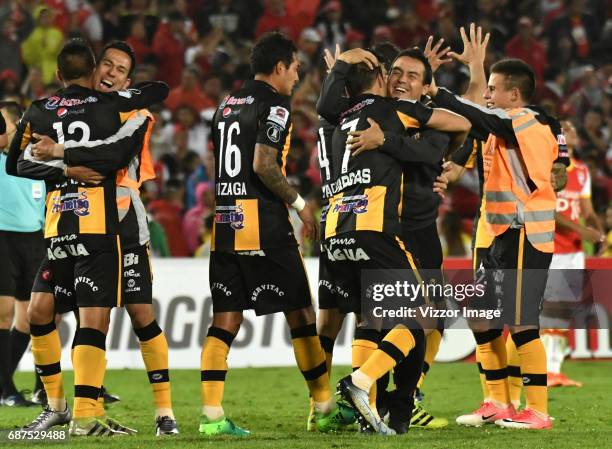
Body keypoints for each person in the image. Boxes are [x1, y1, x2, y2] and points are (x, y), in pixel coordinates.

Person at [6, 38, 168, 437]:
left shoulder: (112, 108)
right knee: (54, 314)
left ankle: (160, 412)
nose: (111, 74)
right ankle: (72, 411)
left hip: (120, 222)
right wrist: (68, 168)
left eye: (120, 70)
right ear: (92, 69)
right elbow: (20, 161)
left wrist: (60, 154)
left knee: (136, 313)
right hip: (82, 223)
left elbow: (18, 160)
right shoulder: (107, 108)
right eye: (106, 66)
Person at [199, 32, 355, 437]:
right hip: (263, 221)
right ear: (280, 67)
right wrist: (303, 207)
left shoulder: (226, 104)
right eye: (295, 67)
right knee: (301, 313)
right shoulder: (276, 104)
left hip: (226, 220)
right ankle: (323, 409)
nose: (297, 74)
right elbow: (264, 165)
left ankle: (212, 417)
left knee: (225, 319)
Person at [316, 43, 469, 432]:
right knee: (393, 316)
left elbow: (449, 138)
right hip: (383, 228)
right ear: (383, 77)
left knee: (412, 318)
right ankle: (365, 390)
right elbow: (455, 127)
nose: (401, 80)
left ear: (425, 86)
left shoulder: (363, 119)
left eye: (412, 75)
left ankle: (395, 408)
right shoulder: (393, 112)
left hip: (389, 228)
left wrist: (392, 142)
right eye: (396, 72)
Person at [428, 24, 565, 430]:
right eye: (486, 87)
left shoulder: (528, 122)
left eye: (492, 87)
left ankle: (537, 410)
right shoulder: (499, 123)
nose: (487, 94)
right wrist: (474, 70)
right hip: (494, 231)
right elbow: (470, 123)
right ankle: (496, 403)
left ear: (515, 95)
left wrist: (437, 91)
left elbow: (477, 114)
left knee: (522, 321)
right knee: (483, 318)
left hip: (526, 232)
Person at [540, 119, 606, 387]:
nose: (571, 133)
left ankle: (554, 369)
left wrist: (598, 231)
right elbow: (548, 210)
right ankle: (544, 368)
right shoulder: (547, 169)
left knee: (563, 311)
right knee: (548, 312)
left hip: (574, 252)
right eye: (564, 130)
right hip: (550, 248)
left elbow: (587, 211)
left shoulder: (581, 172)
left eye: (573, 130)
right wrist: (584, 231)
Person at [0, 102, 45, 407]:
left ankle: (7, 386)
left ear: (17, 125)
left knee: (30, 320)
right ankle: (6, 390)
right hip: (3, 237)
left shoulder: (38, 161)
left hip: (36, 240)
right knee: (3, 314)